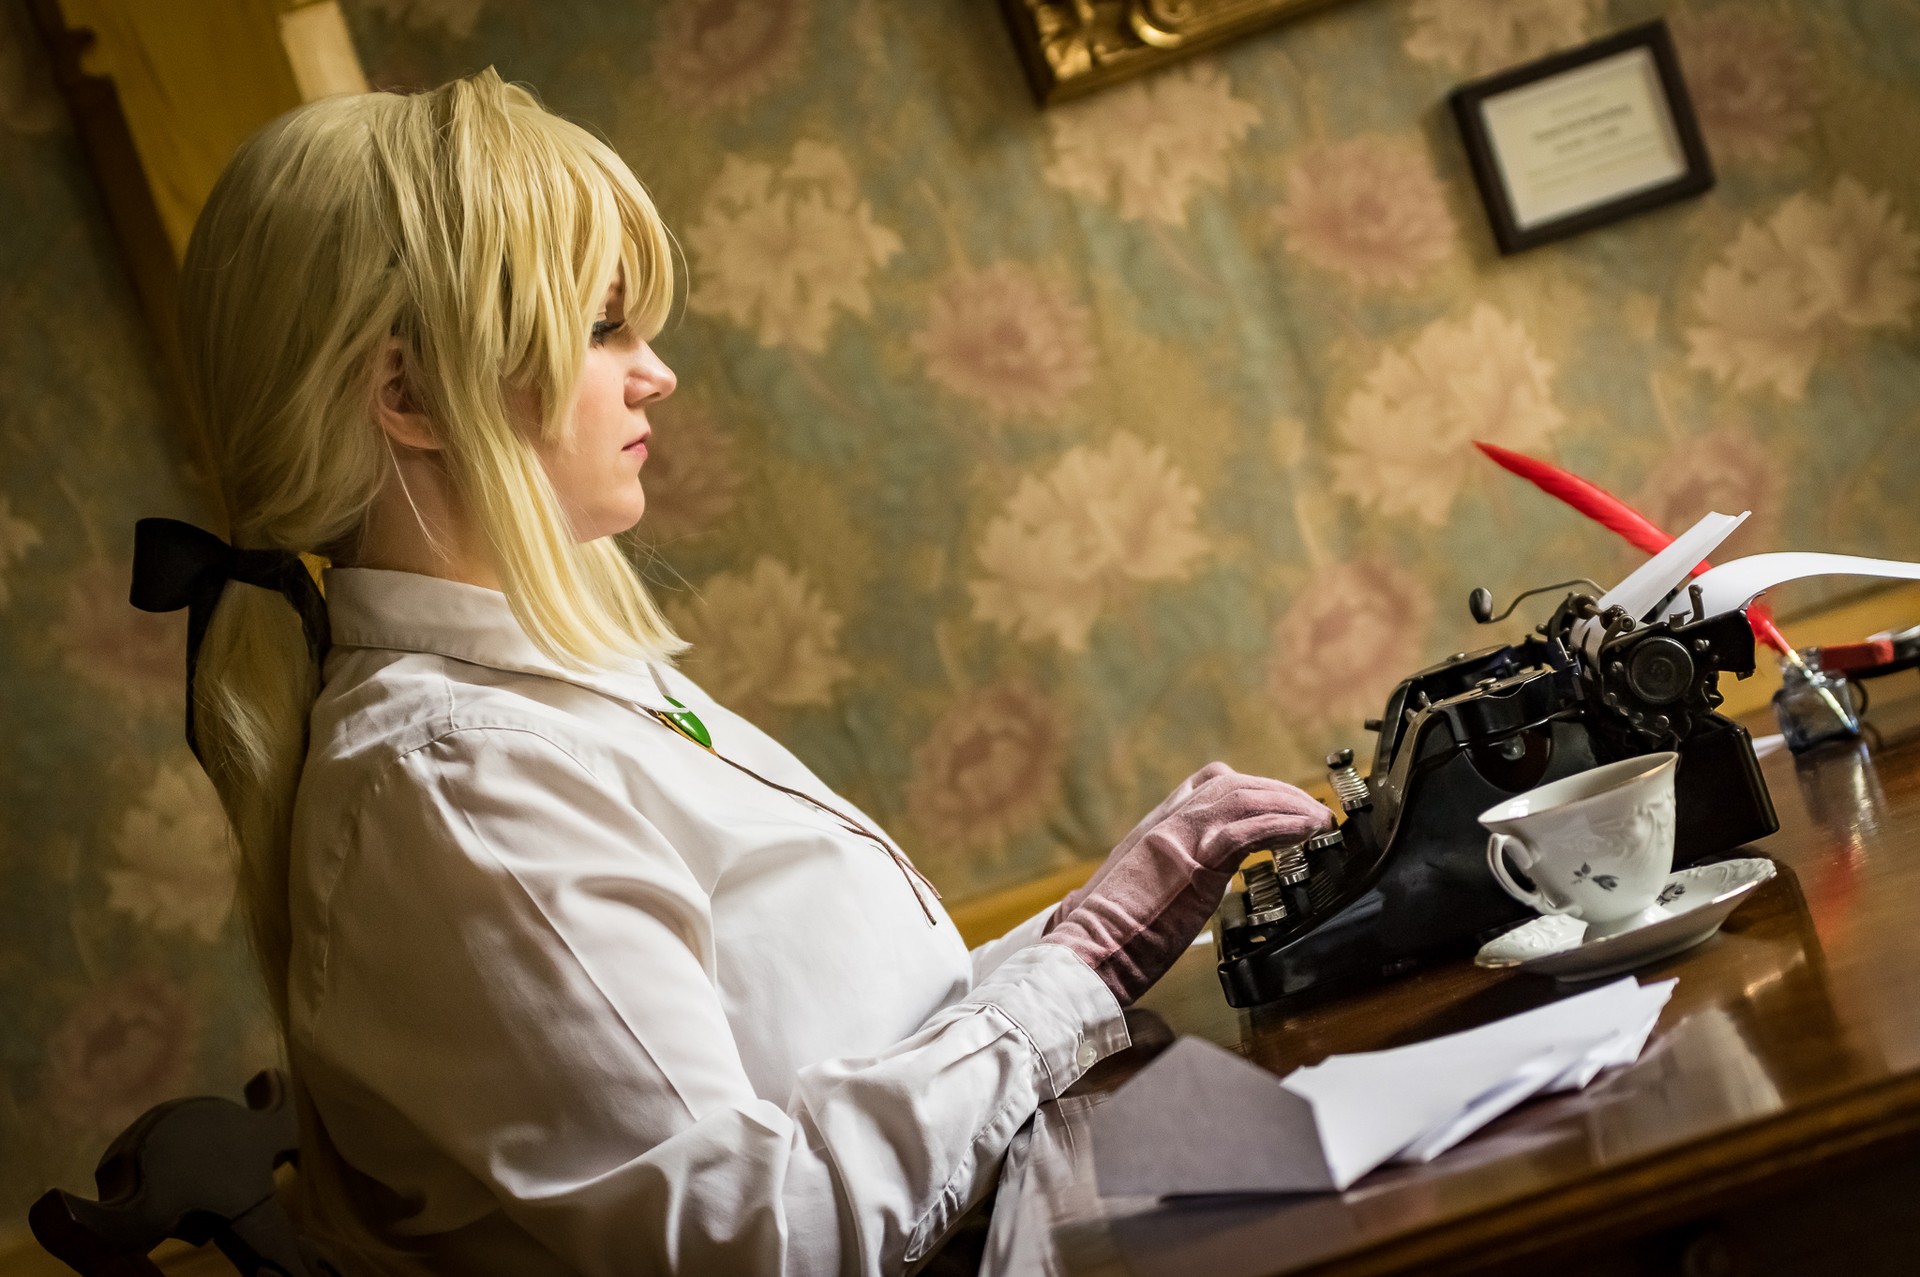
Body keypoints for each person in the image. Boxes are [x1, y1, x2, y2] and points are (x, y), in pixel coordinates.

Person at [137, 69, 1333, 1276]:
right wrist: (1075, 969)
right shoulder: (456, 781)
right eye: (601, 327)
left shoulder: (560, 697)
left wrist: (1083, 936)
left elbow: (859, 1052)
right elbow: (759, 1235)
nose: (654, 371)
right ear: (408, 394)